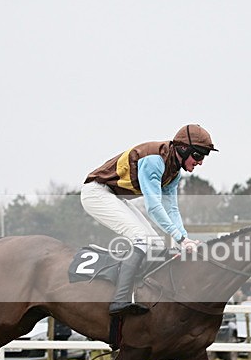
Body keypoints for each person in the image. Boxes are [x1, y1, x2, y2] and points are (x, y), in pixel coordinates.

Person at [81, 124, 218, 316]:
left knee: (156, 245)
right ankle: (120, 299)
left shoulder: (174, 172)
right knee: (142, 239)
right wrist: (180, 239)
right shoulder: (154, 160)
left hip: (115, 196)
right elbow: (153, 208)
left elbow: (172, 209)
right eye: (198, 155)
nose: (200, 162)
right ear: (183, 149)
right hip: (96, 193)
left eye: (204, 156)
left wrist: (184, 239)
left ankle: (142, 293)